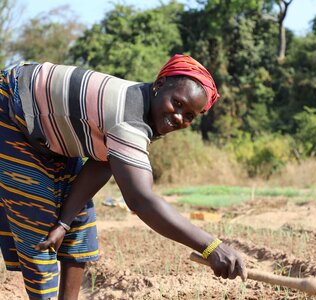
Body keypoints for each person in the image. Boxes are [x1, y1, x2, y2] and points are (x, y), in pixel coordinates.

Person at [0, 54, 247, 300]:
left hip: (54, 133)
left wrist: (64, 222)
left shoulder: (146, 112)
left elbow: (103, 161)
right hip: (13, 110)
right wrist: (211, 246)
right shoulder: (129, 119)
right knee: (38, 225)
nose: (180, 117)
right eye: (178, 103)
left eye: (190, 116)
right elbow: (141, 200)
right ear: (159, 85)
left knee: (79, 226)